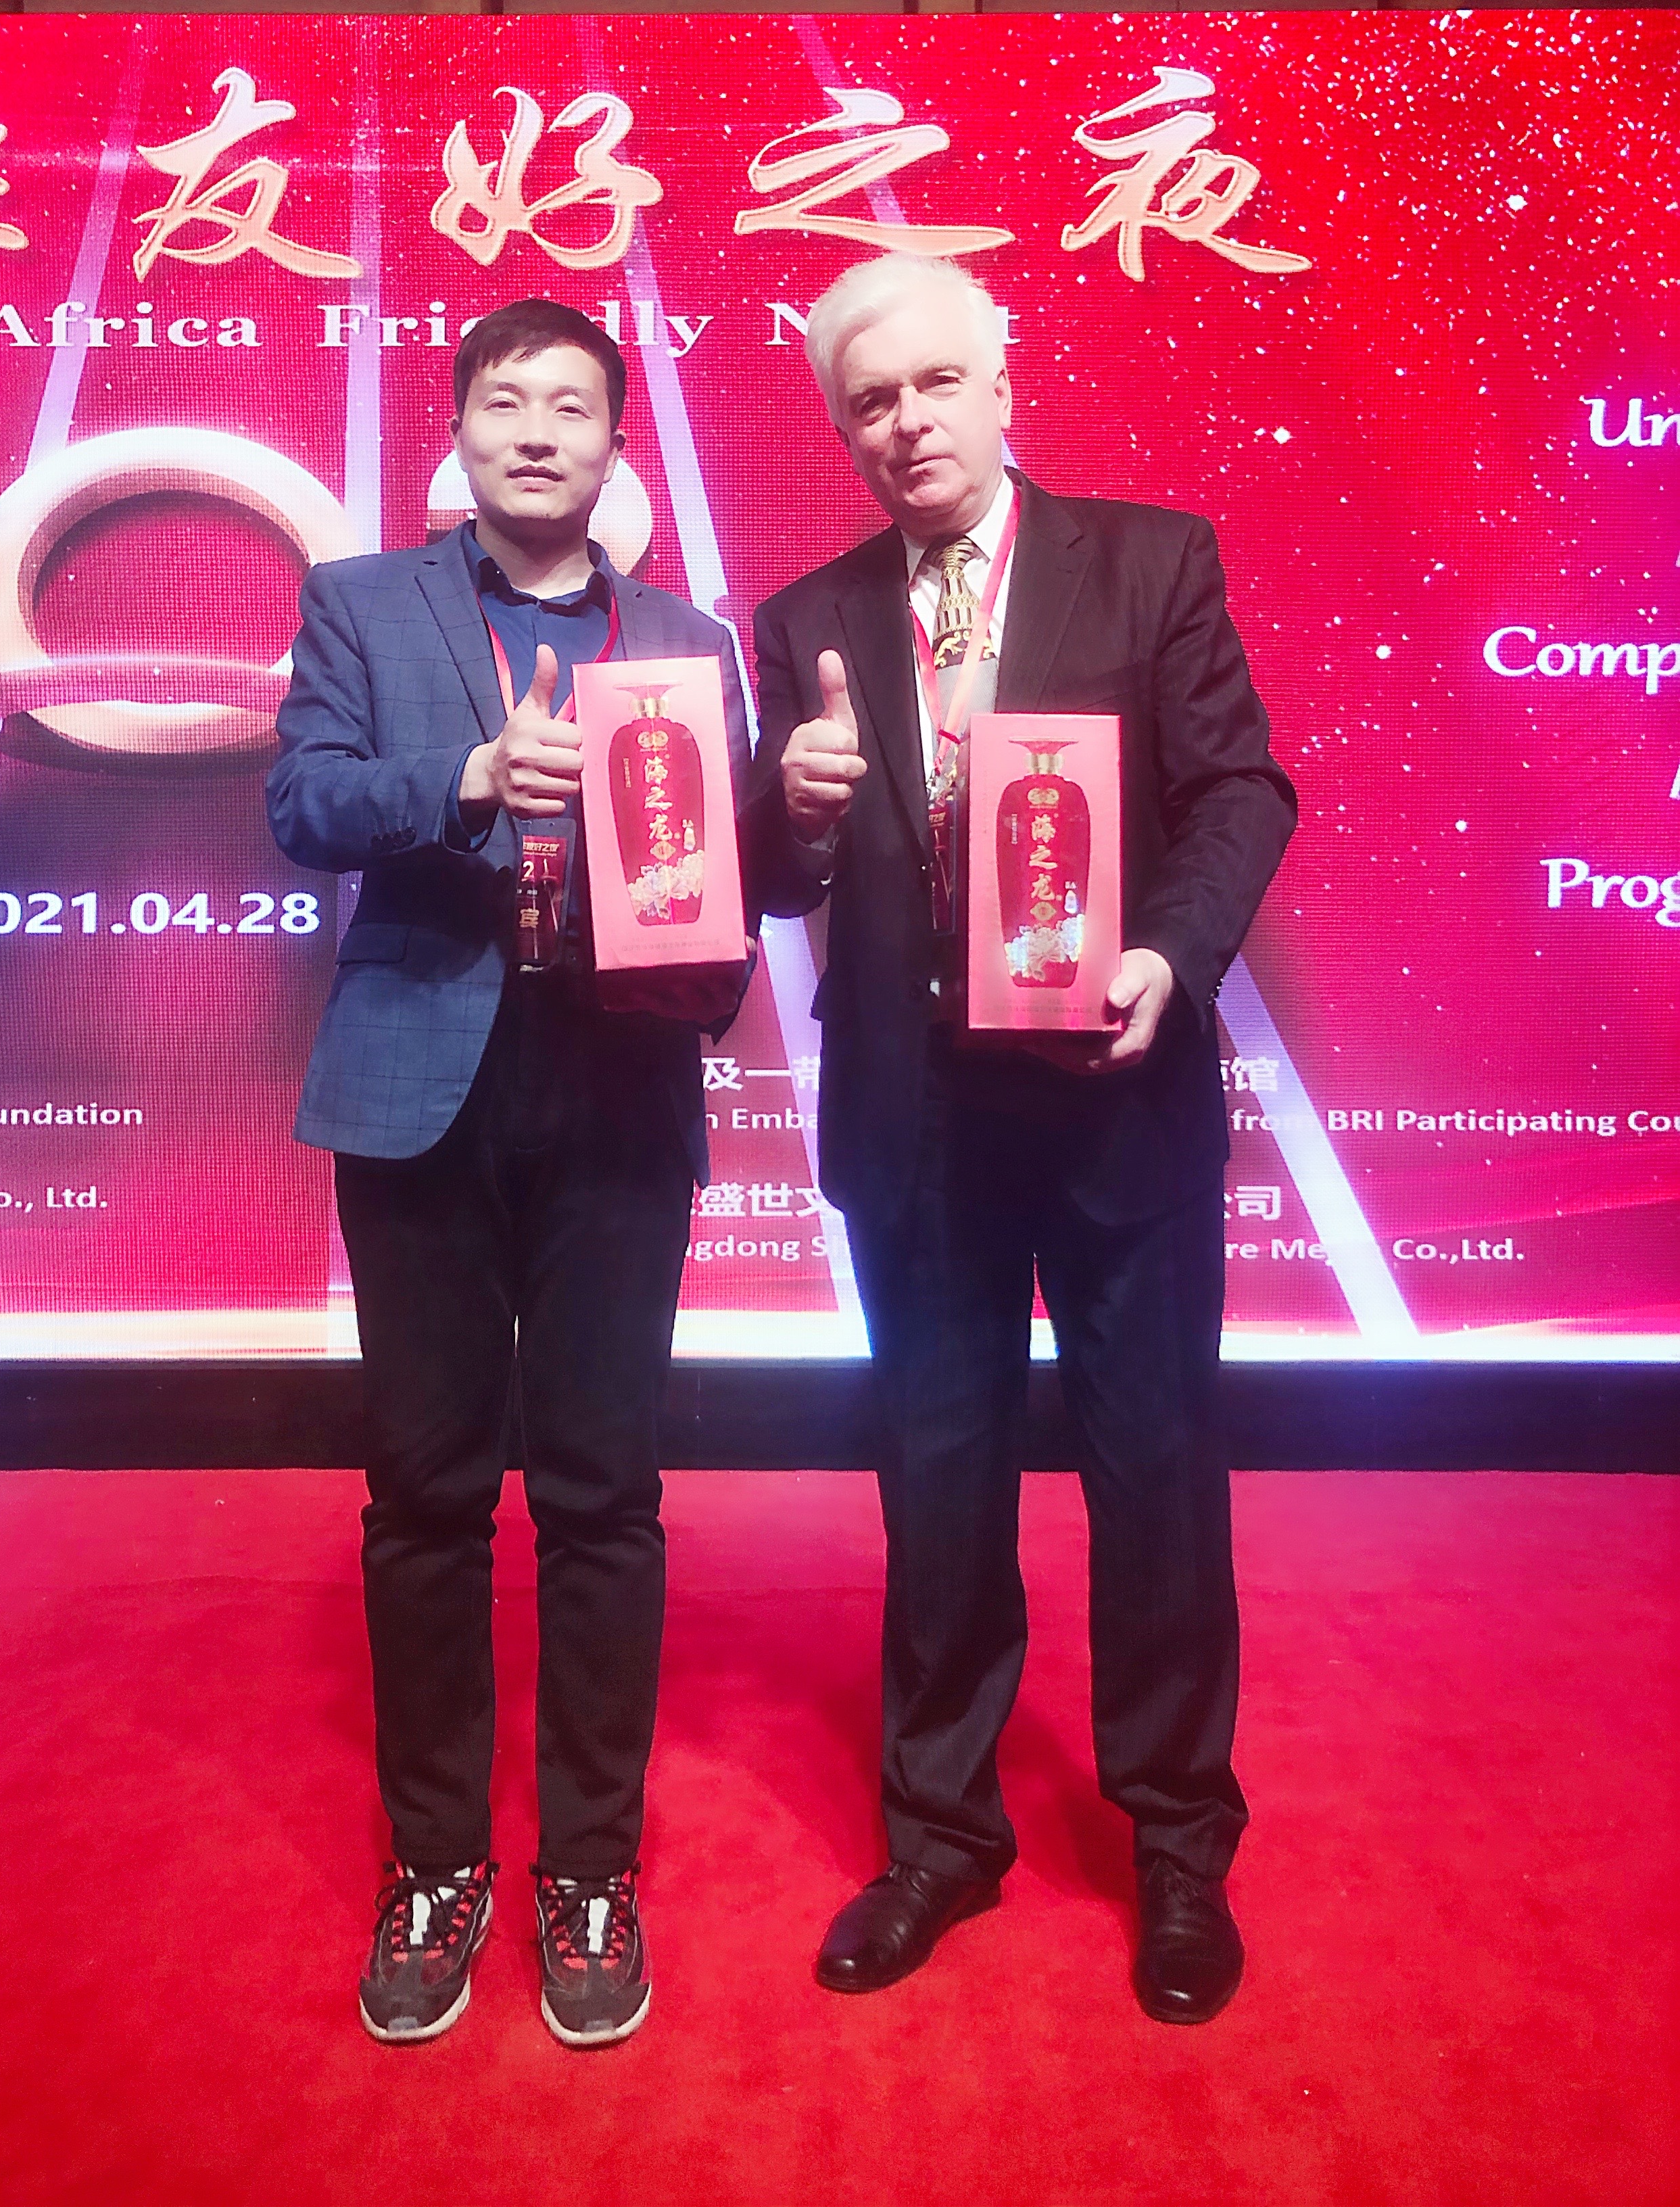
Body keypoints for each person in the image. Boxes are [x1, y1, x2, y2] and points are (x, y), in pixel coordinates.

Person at [741, 253, 1295, 2024]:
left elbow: (1239, 789)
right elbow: (767, 876)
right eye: (870, 403)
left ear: (998, 384)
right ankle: (939, 1839)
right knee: (936, 1488)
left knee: (1156, 1478)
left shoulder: (1150, 561)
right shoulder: (809, 618)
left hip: (1114, 1094)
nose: (905, 423)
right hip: (919, 1123)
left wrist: (1169, 953)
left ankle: (1178, 1846)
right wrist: (785, 811)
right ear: (846, 435)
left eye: (932, 384)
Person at [268, 300, 748, 2050]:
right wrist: (465, 778)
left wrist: (795, 821)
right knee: (425, 1496)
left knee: (605, 1497)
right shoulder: (362, 602)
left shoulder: (685, 637)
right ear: (460, 431)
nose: (537, 431)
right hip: (423, 1096)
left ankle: (590, 1868)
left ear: (617, 445)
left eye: (571, 407)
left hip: (619, 1095)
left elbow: (726, 862)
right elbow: (304, 807)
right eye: (503, 402)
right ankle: (436, 1860)